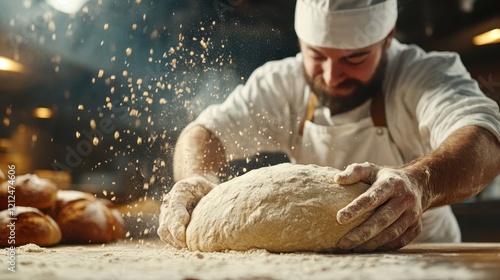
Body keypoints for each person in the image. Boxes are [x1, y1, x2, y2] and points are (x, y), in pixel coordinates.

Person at [157, 0, 500, 251]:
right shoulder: (280, 84)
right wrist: (195, 178)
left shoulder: (422, 75)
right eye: (318, 55)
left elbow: (484, 137)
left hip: (425, 258)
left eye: (354, 58)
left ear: (387, 39)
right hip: (314, 266)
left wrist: (419, 182)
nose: (333, 76)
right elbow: (203, 133)